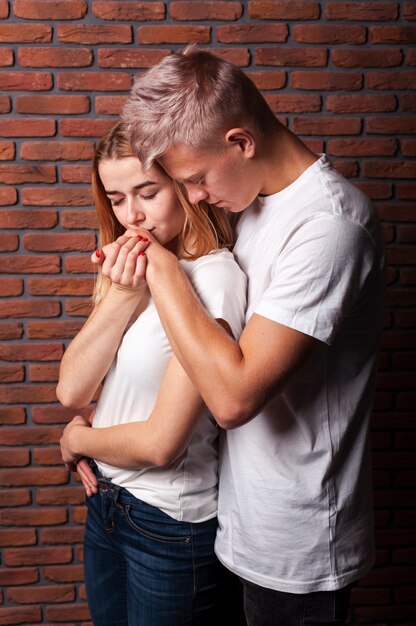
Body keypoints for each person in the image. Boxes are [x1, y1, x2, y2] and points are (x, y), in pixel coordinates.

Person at [116, 46, 386, 626]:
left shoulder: (329, 228)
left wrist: (162, 269)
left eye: (196, 178)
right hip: (237, 523)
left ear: (240, 142)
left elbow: (233, 396)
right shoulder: (255, 204)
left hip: (300, 547)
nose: (193, 198)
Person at [57, 121, 247, 626]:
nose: (132, 216)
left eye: (147, 192)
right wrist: (120, 295)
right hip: (107, 506)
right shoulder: (133, 269)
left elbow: (163, 443)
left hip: (168, 525)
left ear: (183, 189)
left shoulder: (215, 279)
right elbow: (72, 389)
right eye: (117, 199)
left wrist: (78, 443)